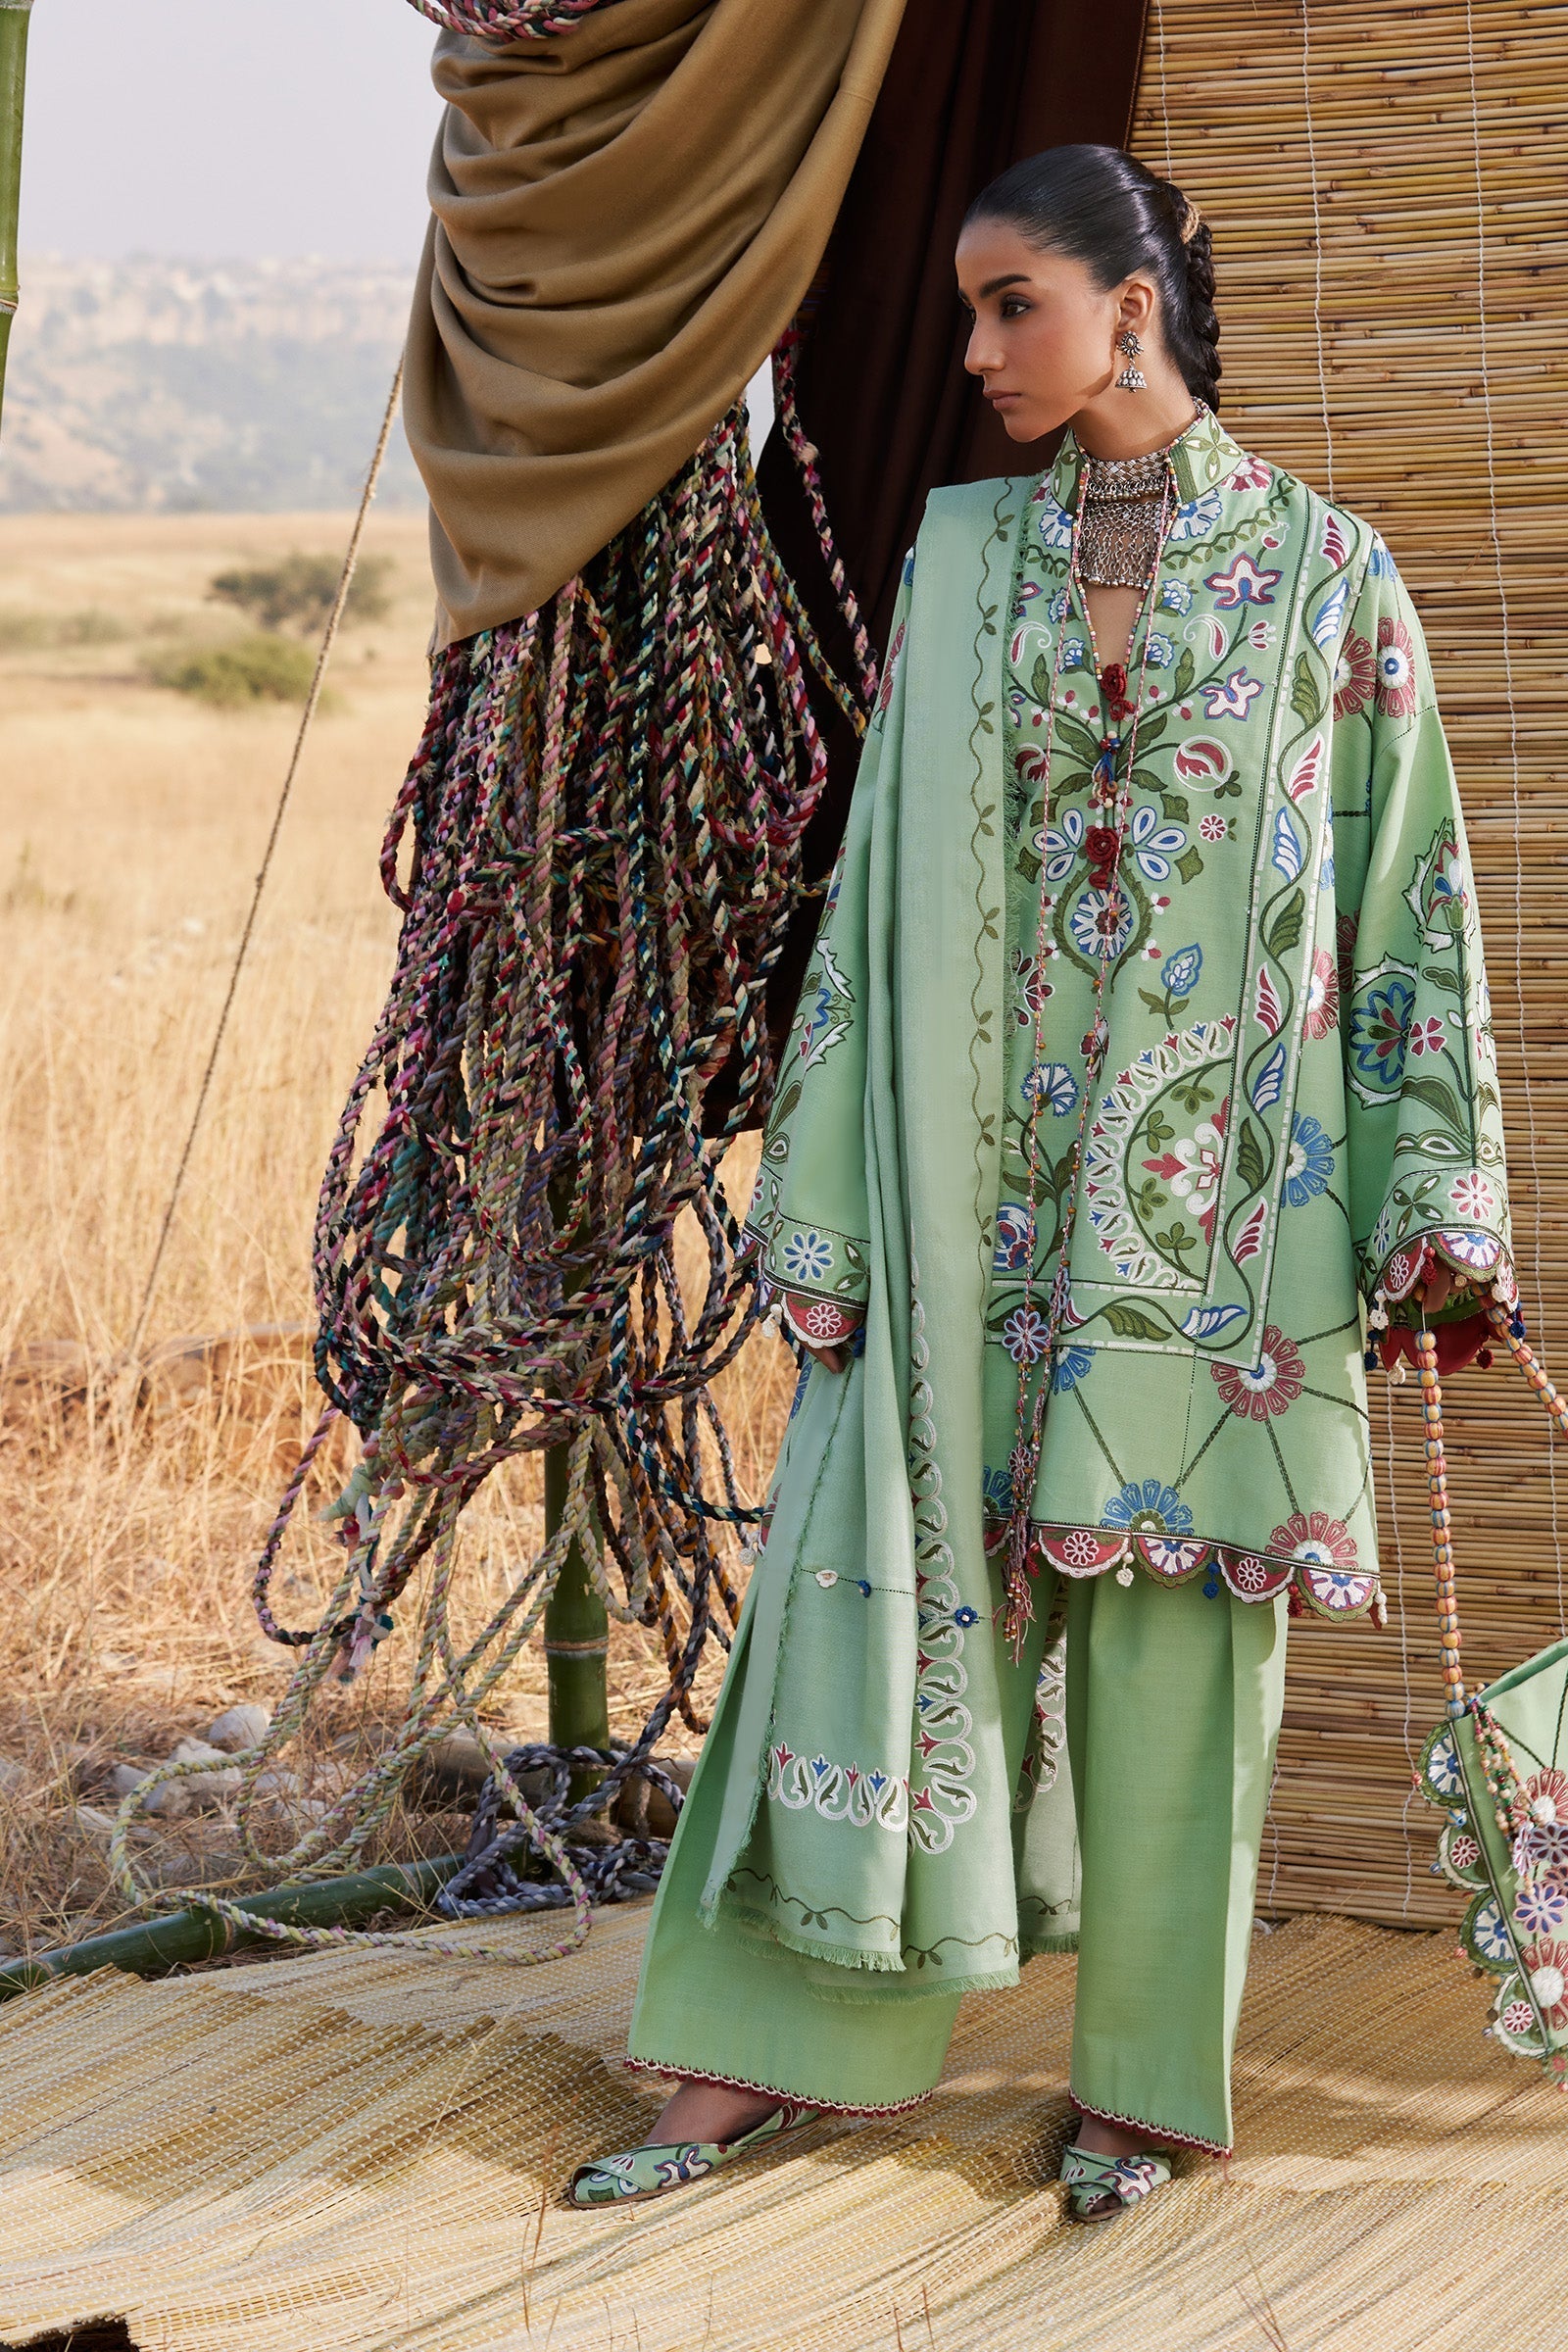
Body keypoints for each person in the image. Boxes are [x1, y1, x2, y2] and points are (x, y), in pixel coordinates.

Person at [567, 144, 1513, 2224]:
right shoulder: (962, 557)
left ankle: (1141, 2095)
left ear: (1129, 308)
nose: (983, 350)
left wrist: (1435, 1201)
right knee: (879, 1601)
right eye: (971, 312)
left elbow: (1405, 901)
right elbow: (874, 894)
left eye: (1014, 304)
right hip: (959, 1197)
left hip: (1222, 1215)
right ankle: (765, 2051)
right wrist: (827, 1193)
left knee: (1179, 1656)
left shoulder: (1327, 574)